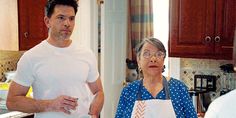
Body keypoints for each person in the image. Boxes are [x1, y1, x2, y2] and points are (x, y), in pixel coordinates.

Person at [6, 0, 104, 118]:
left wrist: (94, 113)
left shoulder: (86, 54)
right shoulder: (31, 57)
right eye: (61, 18)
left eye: (71, 18)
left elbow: (98, 92)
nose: (67, 23)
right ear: (47, 21)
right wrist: (51, 105)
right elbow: (12, 101)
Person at [115, 37, 197, 118]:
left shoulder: (179, 88)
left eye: (159, 54)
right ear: (138, 60)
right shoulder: (128, 91)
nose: (153, 59)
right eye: (147, 54)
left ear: (163, 60)